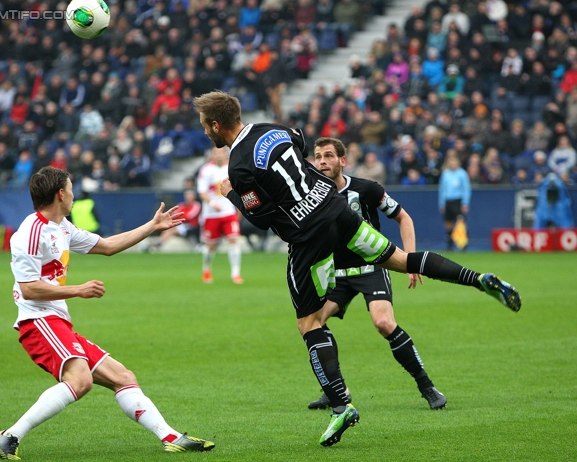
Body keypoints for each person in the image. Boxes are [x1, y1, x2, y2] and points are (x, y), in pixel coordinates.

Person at [193, 90, 521, 447]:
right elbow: (299, 145)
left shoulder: (238, 166)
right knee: (400, 259)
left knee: (310, 323)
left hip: (307, 235)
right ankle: (479, 279)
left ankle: (341, 405)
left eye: (203, 125)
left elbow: (259, 217)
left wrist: (232, 195)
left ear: (215, 124)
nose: (204, 131)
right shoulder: (272, 128)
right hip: (337, 211)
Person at [0, 167, 214, 459]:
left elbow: (107, 246)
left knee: (123, 376)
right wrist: (78, 289)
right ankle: (9, 437)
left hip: (57, 322)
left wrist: (152, 226)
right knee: (81, 381)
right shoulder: (30, 233)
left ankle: (170, 437)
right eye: (70, 188)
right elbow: (29, 289)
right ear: (60, 194)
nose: (73, 194)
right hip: (38, 321)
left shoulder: (63, 227)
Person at [309, 137, 445, 410]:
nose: (322, 161)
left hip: (372, 267)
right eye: (318, 156)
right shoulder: (313, 195)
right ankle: (336, 390)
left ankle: (427, 387)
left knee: (383, 323)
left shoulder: (366, 189)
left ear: (342, 161)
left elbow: (403, 217)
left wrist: (409, 260)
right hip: (338, 273)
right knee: (313, 323)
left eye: (328, 156)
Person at [196, 146, 243, 284]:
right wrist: (212, 203)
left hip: (228, 212)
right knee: (210, 246)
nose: (218, 156)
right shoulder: (206, 170)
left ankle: (236, 273)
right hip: (211, 214)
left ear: (225, 155)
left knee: (234, 241)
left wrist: (239, 209)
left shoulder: (231, 169)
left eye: (220, 153)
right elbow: (202, 192)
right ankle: (206, 270)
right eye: (215, 153)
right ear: (212, 155)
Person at [438, 153, 471, 250]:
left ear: (458, 163)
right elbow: (442, 189)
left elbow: (466, 189)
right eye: (451, 161)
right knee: (448, 224)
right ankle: (450, 244)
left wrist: (465, 203)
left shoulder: (462, 174)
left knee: (461, 222)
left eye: (454, 161)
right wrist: (442, 203)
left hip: (458, 201)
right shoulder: (445, 174)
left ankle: (463, 245)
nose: (453, 163)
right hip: (448, 201)